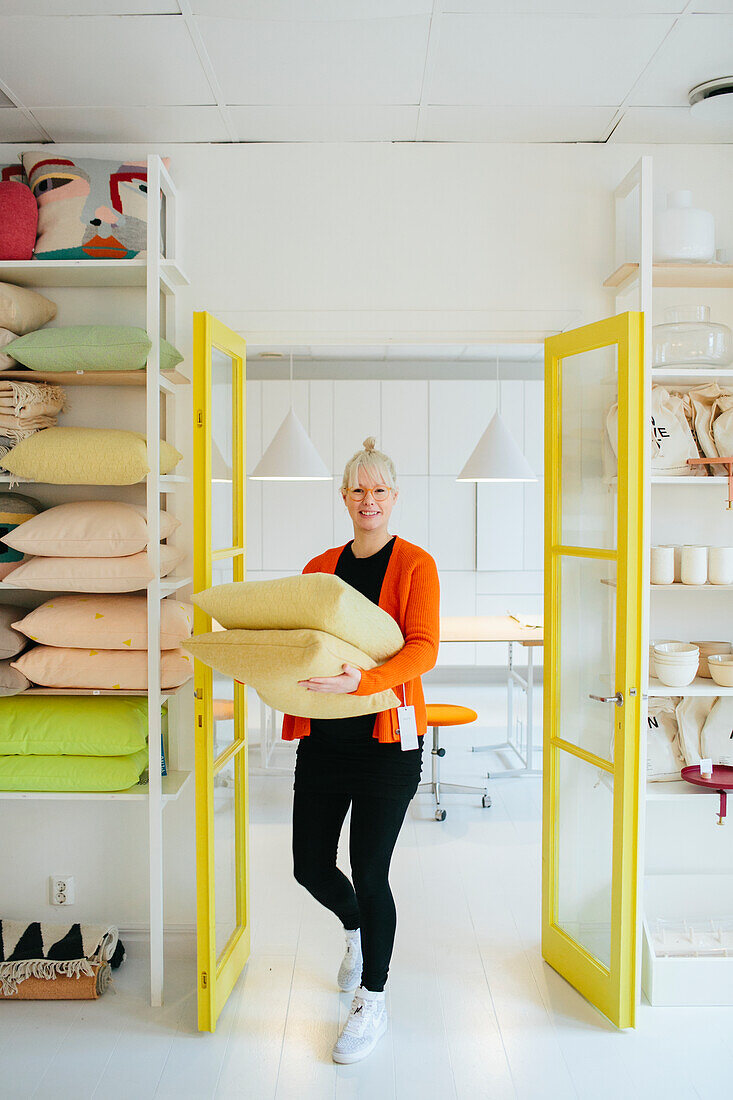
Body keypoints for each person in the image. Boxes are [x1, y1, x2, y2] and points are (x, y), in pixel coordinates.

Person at [281, 437, 440, 1065]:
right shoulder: (320, 566)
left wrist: (364, 681)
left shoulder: (415, 565)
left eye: (379, 490)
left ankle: (373, 998)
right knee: (309, 866)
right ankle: (355, 932)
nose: (368, 500)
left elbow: (423, 648)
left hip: (387, 742)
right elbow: (298, 639)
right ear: (344, 497)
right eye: (357, 490)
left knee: (370, 870)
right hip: (325, 740)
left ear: (394, 498)